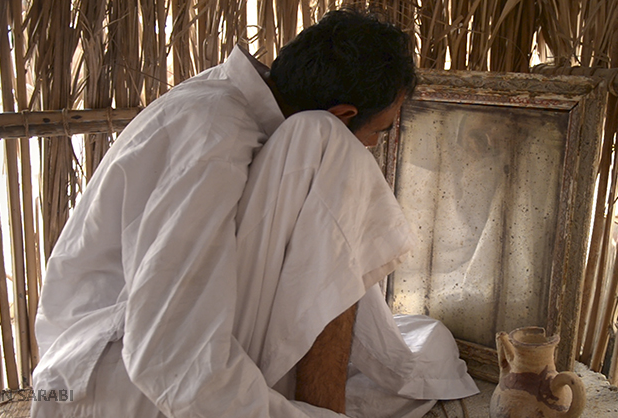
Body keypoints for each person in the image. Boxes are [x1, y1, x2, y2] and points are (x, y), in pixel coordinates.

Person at [32, 9, 477, 418]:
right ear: (345, 113)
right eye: (378, 132)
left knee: (428, 347)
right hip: (113, 382)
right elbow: (167, 352)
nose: (374, 147)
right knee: (330, 147)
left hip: (159, 356)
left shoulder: (239, 109)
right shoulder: (217, 132)